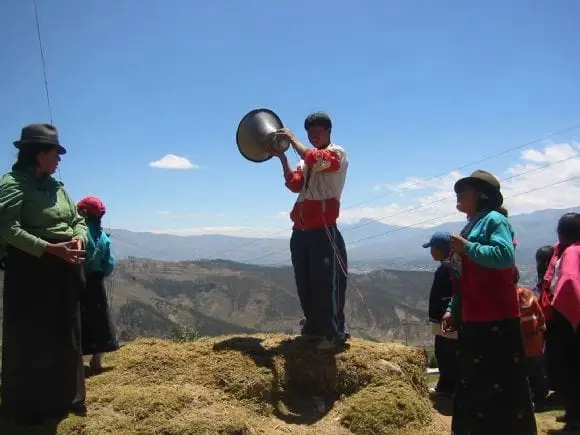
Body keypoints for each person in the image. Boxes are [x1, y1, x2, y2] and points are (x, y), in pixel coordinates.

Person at [0, 124, 88, 424]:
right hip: (31, 269)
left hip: (66, 266)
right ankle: (31, 407)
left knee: (67, 333)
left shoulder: (58, 188)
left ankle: (68, 397)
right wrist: (50, 249)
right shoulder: (13, 184)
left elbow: (78, 220)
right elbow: (7, 228)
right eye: (55, 153)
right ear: (39, 155)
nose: (59, 160)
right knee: (33, 337)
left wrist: (78, 238)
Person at [441, 170, 537, 435]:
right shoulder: (471, 225)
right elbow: (462, 278)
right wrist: (453, 309)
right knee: (473, 385)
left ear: (483, 195)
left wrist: (467, 247)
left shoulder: (495, 220)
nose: (459, 193)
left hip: (497, 320)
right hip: (473, 319)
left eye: (466, 188)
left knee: (500, 387)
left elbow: (504, 256)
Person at [271, 112, 349, 352]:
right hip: (301, 230)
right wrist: (283, 159)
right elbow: (295, 184)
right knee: (305, 282)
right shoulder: (305, 160)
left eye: (317, 132)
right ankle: (314, 328)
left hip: (323, 230)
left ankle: (334, 334)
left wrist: (293, 141)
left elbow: (317, 160)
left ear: (328, 131)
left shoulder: (336, 153)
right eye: (309, 133)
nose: (313, 136)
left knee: (327, 284)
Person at [77, 196, 119, 373]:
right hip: (95, 282)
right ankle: (97, 360)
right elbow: (109, 265)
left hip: (76, 281)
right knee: (100, 320)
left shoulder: (77, 233)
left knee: (77, 319)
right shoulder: (103, 238)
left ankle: (76, 362)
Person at [546, 213, 580, 429]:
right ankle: (573, 413)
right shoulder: (569, 250)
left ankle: (575, 417)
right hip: (569, 318)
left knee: (569, 368)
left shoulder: (572, 252)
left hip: (569, 320)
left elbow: (568, 283)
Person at [423, 230, 458, 398]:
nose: (430, 252)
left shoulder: (446, 267)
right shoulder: (453, 265)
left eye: (432, 248)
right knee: (448, 352)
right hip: (450, 316)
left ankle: (446, 388)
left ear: (440, 249)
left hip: (446, 319)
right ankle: (450, 386)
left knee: (445, 353)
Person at [514, 267, 548, 410]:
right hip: (535, 342)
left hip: (519, 345)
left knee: (522, 374)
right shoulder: (529, 294)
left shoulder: (507, 299)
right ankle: (541, 400)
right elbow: (540, 317)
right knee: (537, 372)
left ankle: (527, 401)